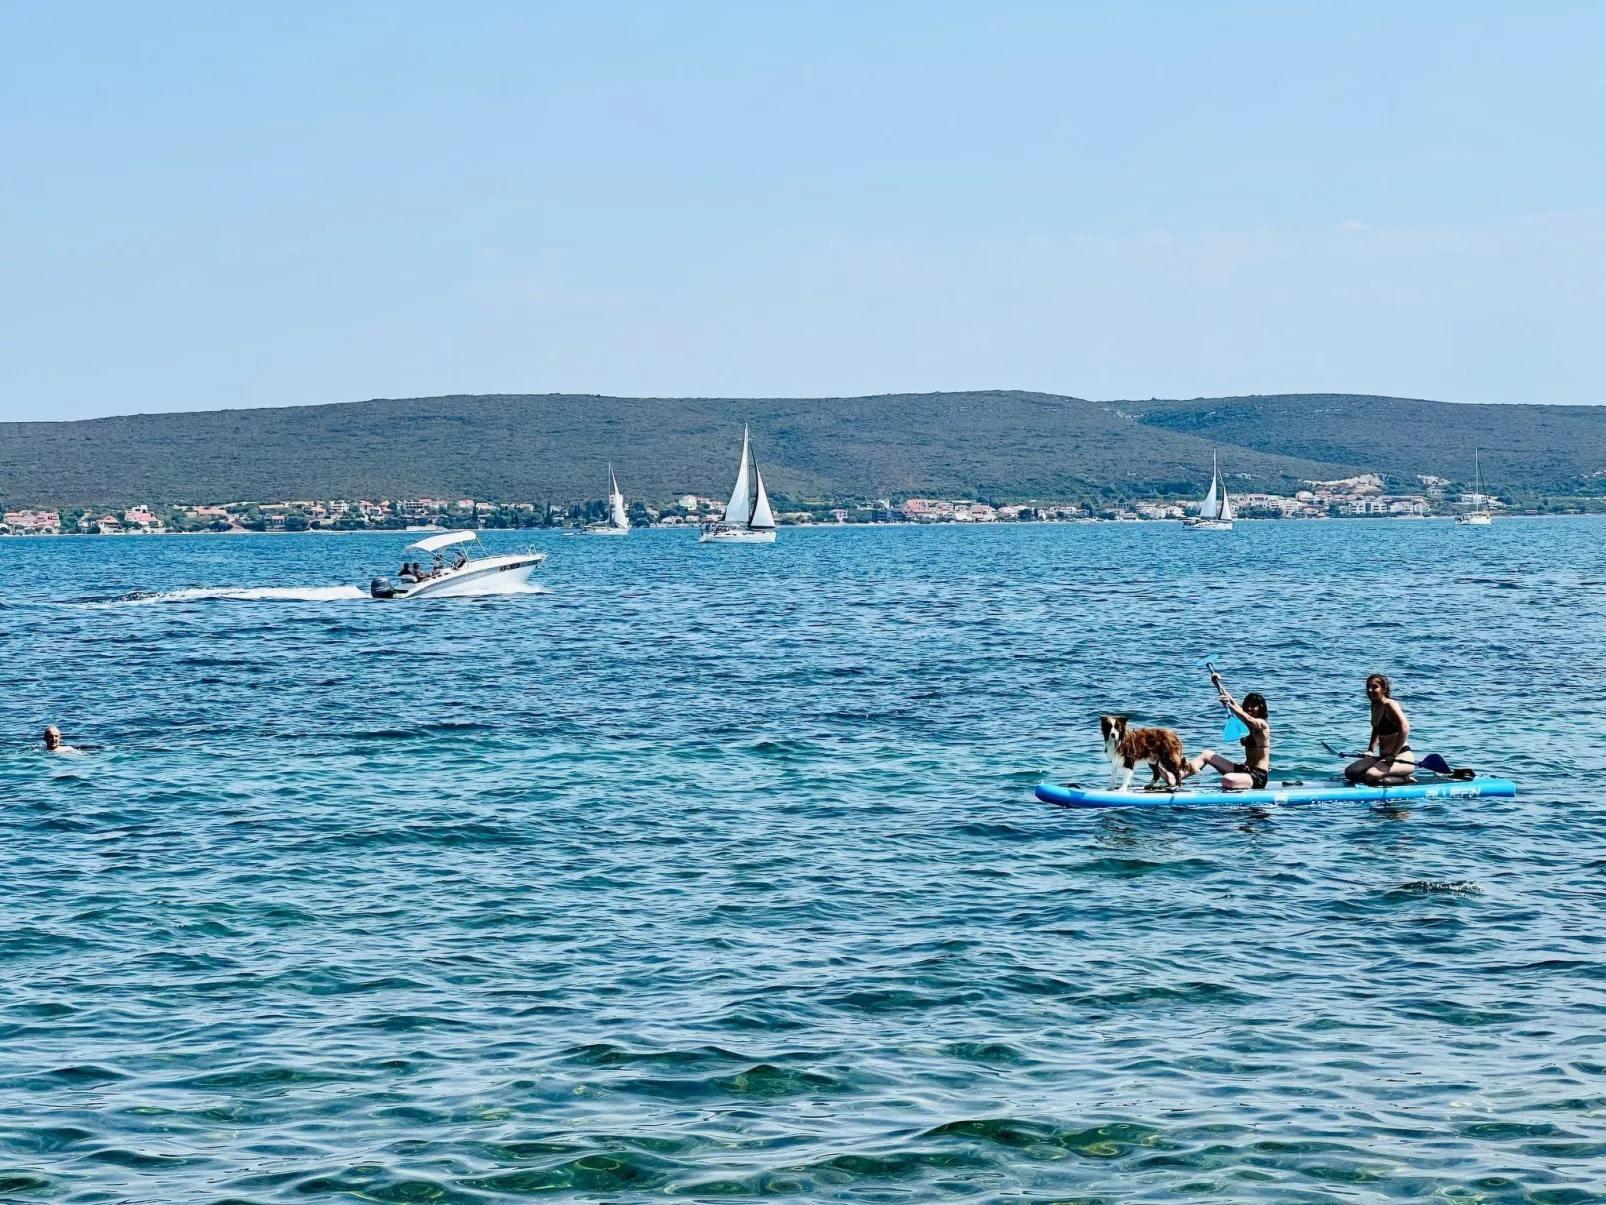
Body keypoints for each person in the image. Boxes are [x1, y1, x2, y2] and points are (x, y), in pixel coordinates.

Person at [1185, 674, 1271, 790]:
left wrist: (1229, 705)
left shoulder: (1262, 725)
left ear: (1260, 708)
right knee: (1207, 754)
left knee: (1228, 779)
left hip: (1258, 776)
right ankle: (1178, 775)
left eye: (1253, 706)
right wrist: (1217, 683)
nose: (1249, 708)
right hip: (1245, 770)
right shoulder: (1245, 720)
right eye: (1247, 706)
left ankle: (1238, 782)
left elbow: (1247, 718)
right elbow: (1233, 702)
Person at [1346, 674, 1415, 784]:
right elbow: (1376, 728)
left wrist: (1393, 755)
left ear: (1384, 689)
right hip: (1383, 758)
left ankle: (1404, 778)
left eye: (1374, 687)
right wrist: (1370, 750)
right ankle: (1381, 775)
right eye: (1368, 686)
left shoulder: (1390, 704)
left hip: (1401, 757)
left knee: (1371, 776)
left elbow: (1405, 727)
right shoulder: (1374, 704)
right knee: (1350, 772)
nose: (1370, 690)